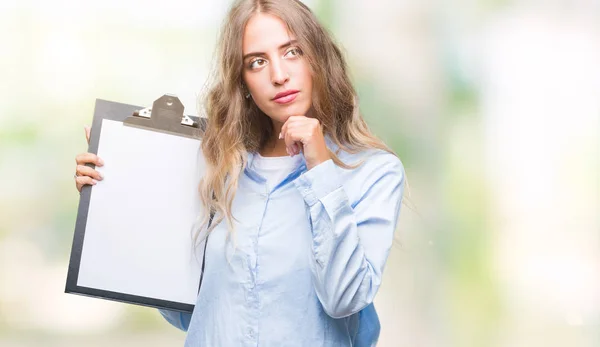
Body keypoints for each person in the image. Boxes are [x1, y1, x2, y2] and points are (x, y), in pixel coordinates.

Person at [73, 0, 406, 345]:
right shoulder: (216, 168)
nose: (278, 75)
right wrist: (115, 193)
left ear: (318, 59)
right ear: (242, 80)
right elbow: (190, 312)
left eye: (292, 51)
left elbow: (345, 299)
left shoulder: (373, 173)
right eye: (257, 62)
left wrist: (320, 167)